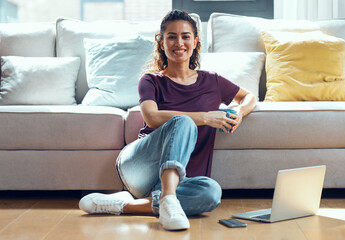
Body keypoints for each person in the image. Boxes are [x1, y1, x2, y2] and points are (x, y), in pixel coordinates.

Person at [79, 9, 257, 231]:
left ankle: (125, 205)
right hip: (140, 167)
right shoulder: (151, 80)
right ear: (161, 43)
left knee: (211, 192)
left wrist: (239, 111)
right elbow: (151, 117)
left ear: (195, 42)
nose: (179, 42)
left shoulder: (212, 81)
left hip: (183, 179)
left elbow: (249, 96)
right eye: (171, 36)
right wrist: (205, 118)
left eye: (185, 36)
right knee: (183, 121)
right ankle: (169, 198)